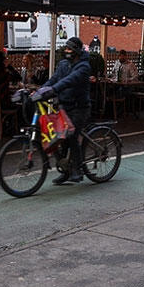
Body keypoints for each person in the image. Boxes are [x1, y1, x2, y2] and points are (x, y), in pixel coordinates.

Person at [37, 37, 91, 185]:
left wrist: (53, 89)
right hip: (64, 106)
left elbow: (69, 80)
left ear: (77, 51)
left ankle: (77, 170)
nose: (67, 51)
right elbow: (54, 79)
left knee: (71, 136)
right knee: (57, 136)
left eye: (70, 49)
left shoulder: (83, 67)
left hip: (79, 107)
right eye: (66, 49)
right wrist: (41, 90)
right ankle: (66, 169)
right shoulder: (63, 64)